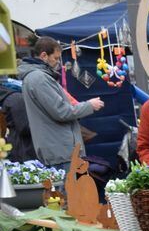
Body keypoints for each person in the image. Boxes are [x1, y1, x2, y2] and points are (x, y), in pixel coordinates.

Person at [19, 37, 103, 170]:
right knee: (70, 190)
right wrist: (89, 105)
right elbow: (61, 112)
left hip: (60, 151)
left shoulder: (38, 77)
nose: (58, 63)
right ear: (44, 55)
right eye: (56, 58)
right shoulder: (39, 78)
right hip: (62, 152)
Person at [0, 82, 37, 162]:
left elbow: (25, 128)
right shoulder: (13, 99)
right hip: (19, 149)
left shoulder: (14, 99)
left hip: (22, 151)